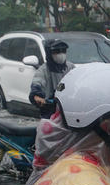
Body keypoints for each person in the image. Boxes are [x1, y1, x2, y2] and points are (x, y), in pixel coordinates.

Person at [29, 39, 76, 173]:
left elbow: (81, 82)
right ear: (49, 54)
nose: (60, 54)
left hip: (69, 111)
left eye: (63, 51)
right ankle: (42, 167)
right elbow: (37, 83)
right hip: (50, 112)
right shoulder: (43, 70)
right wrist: (37, 96)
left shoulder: (71, 67)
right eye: (56, 51)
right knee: (48, 142)